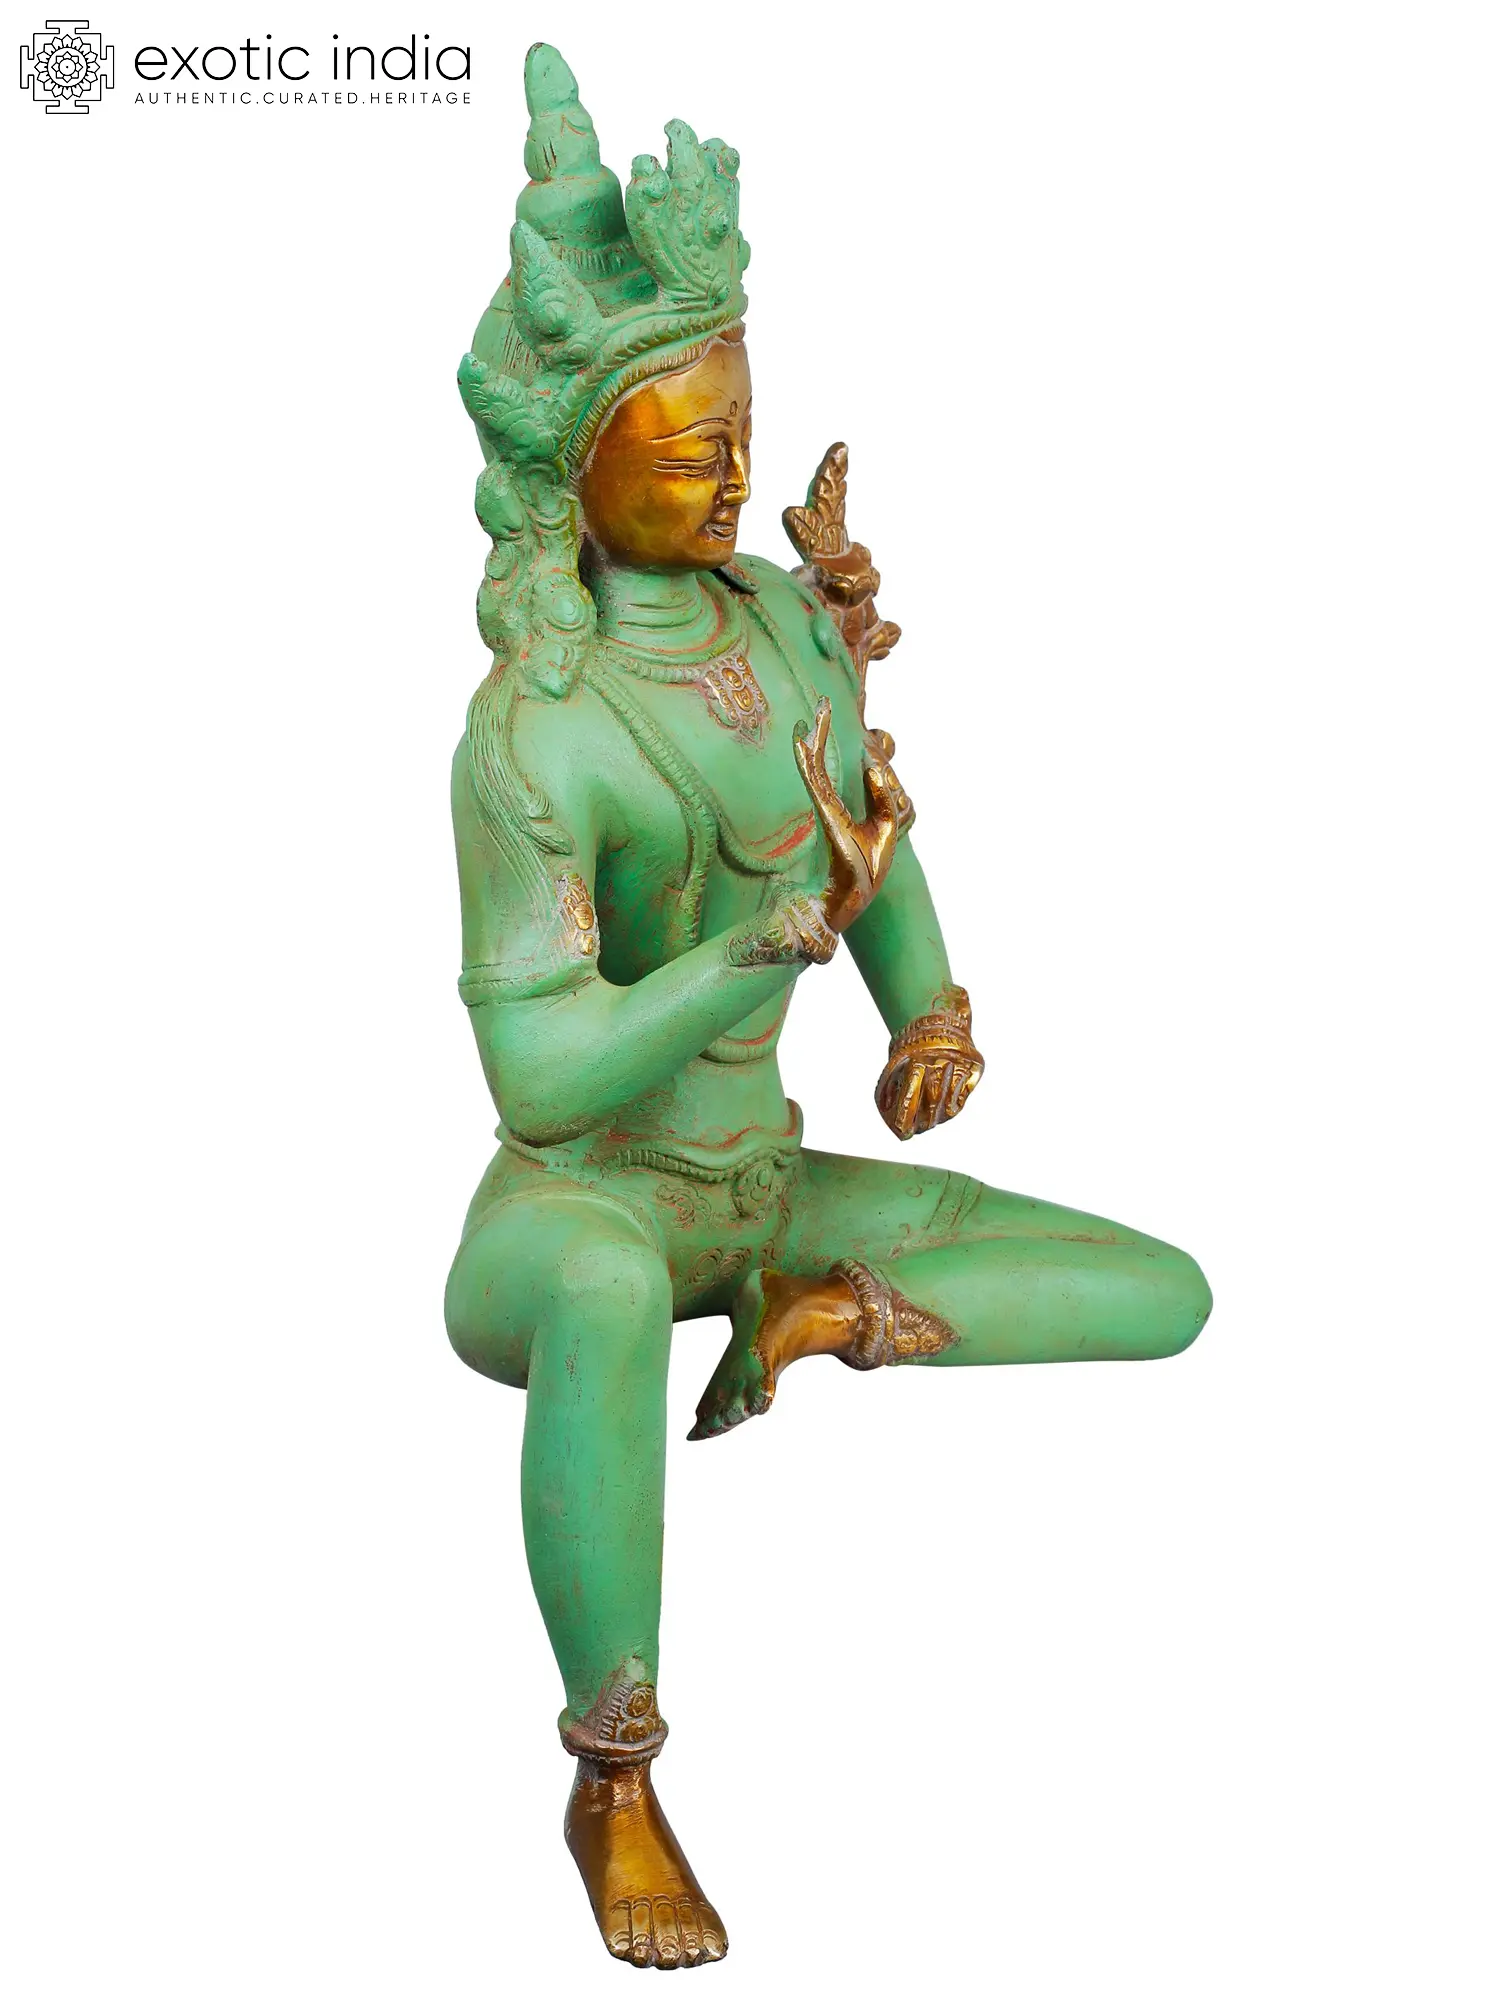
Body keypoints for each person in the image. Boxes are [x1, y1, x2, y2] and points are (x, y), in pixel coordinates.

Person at [444, 44, 1211, 1969]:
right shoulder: (535, 735)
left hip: (762, 1188)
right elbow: (539, 1072)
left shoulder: (788, 626)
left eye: (741, 432)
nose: (728, 478)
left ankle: (813, 1317)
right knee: (609, 1290)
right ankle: (615, 1774)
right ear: (574, 465)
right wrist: (754, 953)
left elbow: (867, 831)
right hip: (581, 1209)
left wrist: (924, 1010)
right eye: (681, 449)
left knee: (1165, 1292)